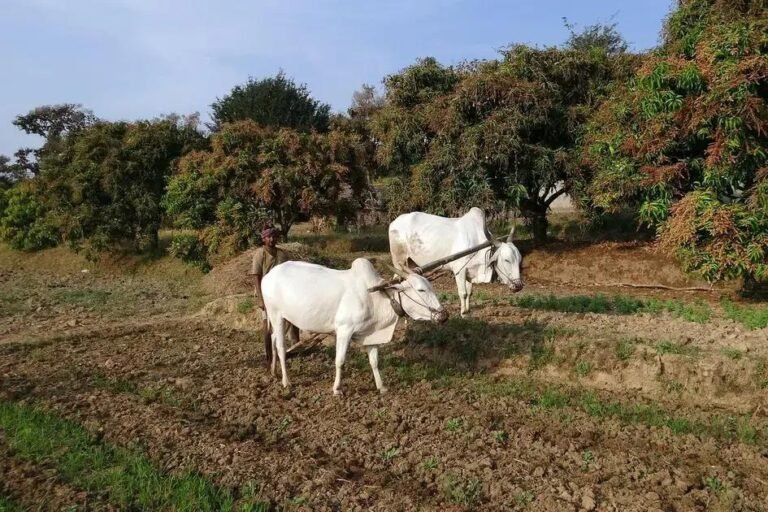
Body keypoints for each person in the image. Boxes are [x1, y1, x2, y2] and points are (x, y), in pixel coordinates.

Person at [249, 226, 300, 364]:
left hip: (282, 294)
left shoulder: (282, 254)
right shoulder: (260, 254)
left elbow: (290, 274)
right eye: (269, 237)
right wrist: (260, 298)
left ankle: (296, 347)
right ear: (264, 239)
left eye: (274, 237)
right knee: (268, 325)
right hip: (267, 294)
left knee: (294, 320)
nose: (272, 239)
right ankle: (269, 355)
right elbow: (256, 277)